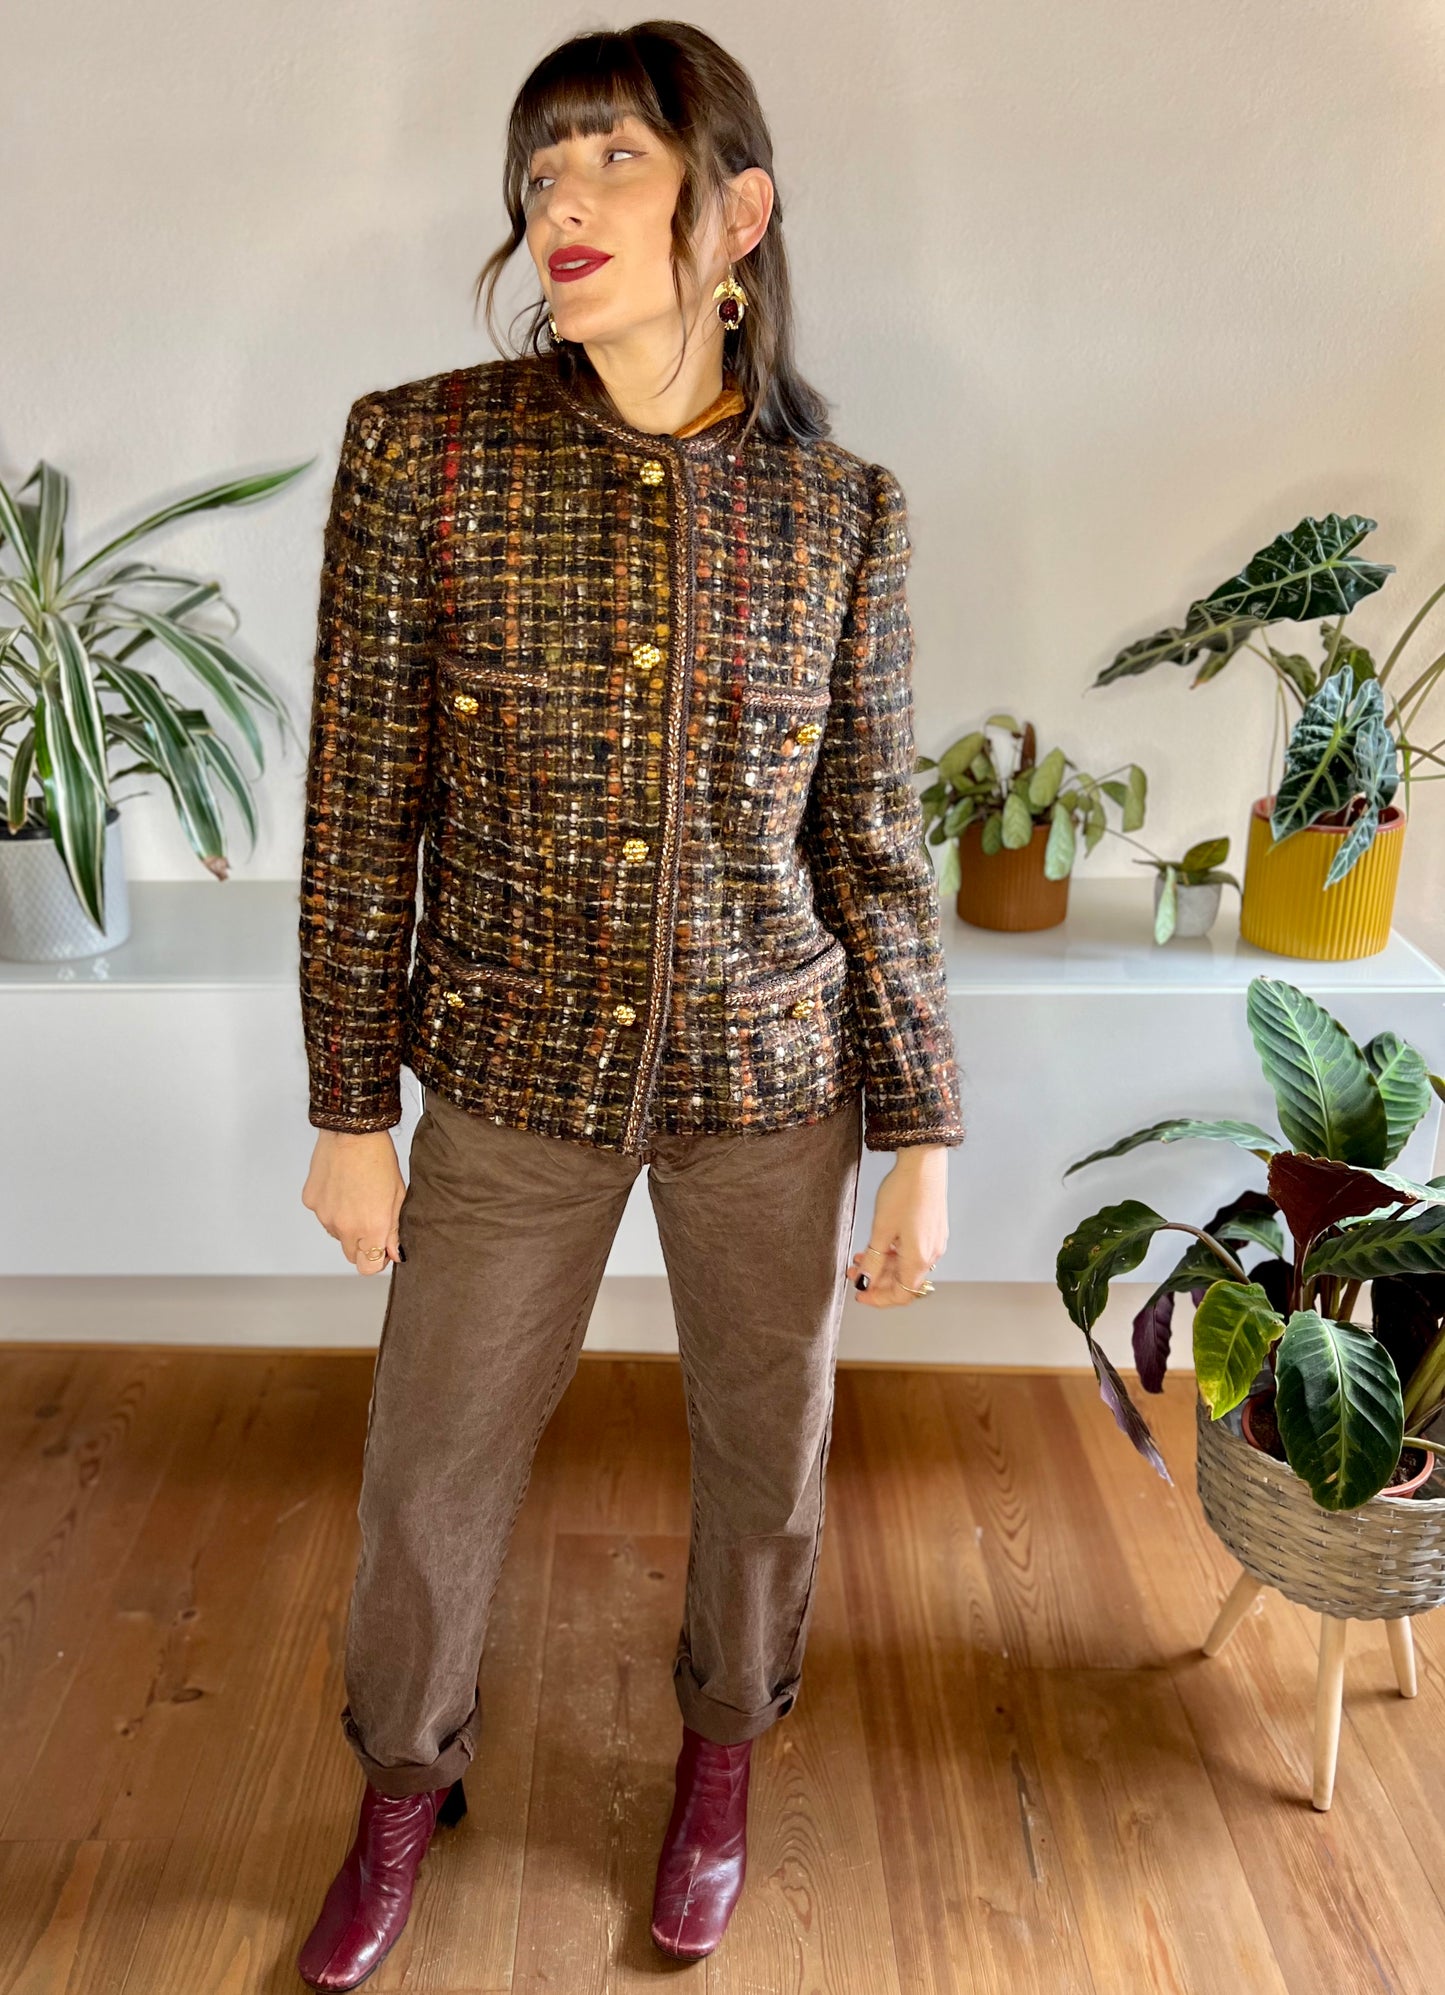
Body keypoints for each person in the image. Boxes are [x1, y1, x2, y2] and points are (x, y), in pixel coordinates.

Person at [293, 21, 966, 1991]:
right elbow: (361, 801)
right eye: (537, 175)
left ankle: (722, 1759)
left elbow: (878, 843)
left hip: (777, 1081)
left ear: (734, 210)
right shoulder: (420, 447)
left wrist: (920, 1135)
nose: (558, 206)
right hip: (508, 1071)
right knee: (428, 1469)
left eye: (607, 161)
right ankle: (400, 1789)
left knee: (769, 1458)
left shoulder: (846, 512)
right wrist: (352, 1100)